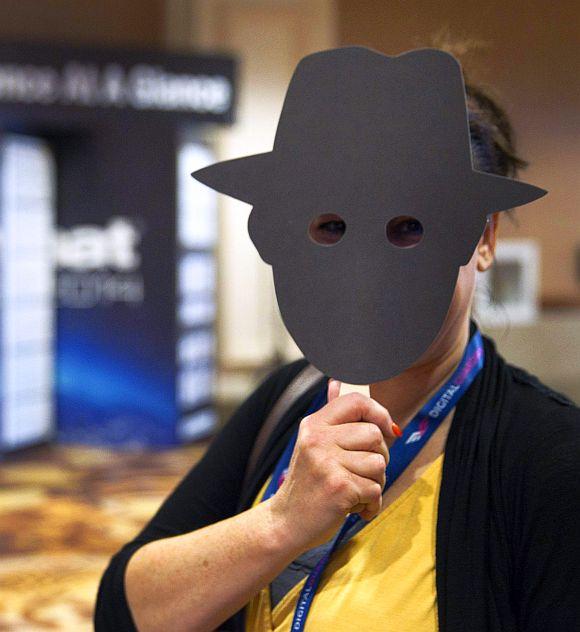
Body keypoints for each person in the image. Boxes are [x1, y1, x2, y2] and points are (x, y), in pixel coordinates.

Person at [95, 59, 580, 632]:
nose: (368, 271)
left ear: (484, 238)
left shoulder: (553, 458)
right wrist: (280, 523)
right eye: (332, 227)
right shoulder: (288, 396)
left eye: (409, 228)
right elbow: (127, 612)